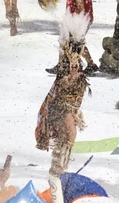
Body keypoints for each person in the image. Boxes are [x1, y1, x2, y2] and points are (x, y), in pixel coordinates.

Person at [35, 12, 92, 176]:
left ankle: (59, 167)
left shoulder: (76, 66)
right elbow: (61, 85)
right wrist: (71, 78)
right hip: (60, 107)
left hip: (69, 107)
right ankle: (58, 167)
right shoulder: (64, 67)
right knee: (68, 136)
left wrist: (87, 64)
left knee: (67, 138)